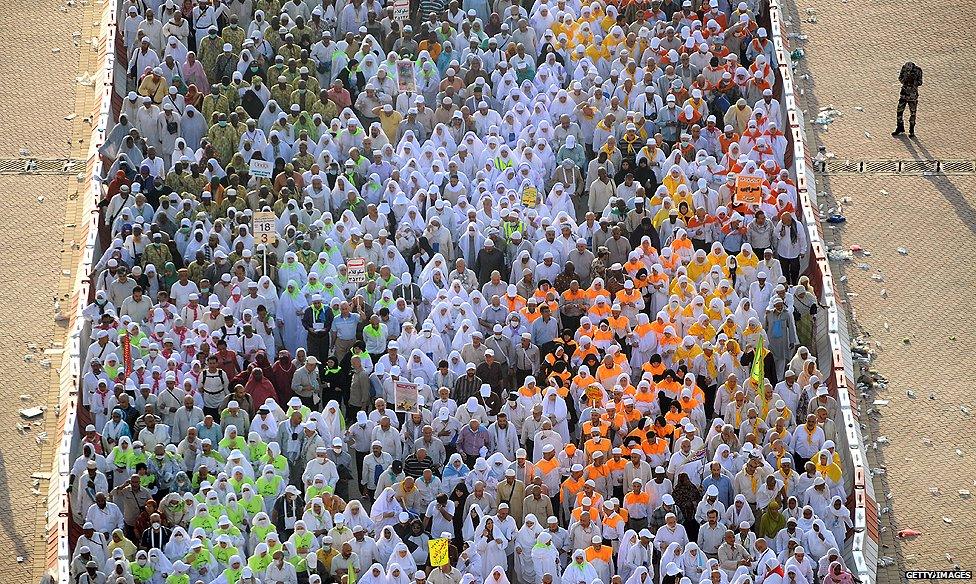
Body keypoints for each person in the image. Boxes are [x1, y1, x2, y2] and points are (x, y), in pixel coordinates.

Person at [892, 62, 922, 137]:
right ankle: (900, 128)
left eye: (909, 69)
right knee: (899, 111)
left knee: (913, 113)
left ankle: (912, 130)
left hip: (912, 96)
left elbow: (920, 82)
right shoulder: (904, 68)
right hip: (904, 94)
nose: (908, 70)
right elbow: (900, 79)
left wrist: (913, 81)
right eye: (907, 69)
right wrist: (906, 79)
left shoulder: (918, 70)